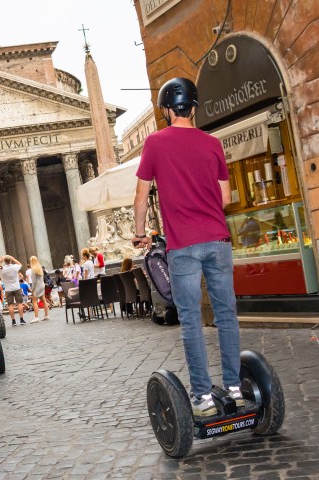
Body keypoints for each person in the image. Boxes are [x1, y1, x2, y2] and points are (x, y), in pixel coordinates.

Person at [133, 77, 243, 418]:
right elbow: (225, 198)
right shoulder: (212, 143)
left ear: (167, 110)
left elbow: (140, 197)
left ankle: (202, 397)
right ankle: (236, 389)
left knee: (192, 320)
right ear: (193, 107)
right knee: (226, 315)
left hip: (183, 246)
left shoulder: (155, 143)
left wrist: (141, 233)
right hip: (218, 240)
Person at [0, 255, 27, 326]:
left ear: (4, 261)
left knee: (10, 305)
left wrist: (1, 260)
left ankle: (13, 321)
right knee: (19, 303)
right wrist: (13, 258)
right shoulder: (15, 267)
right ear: (10, 260)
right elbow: (20, 264)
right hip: (16, 287)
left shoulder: (2, 268)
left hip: (8, 289)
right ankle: (21, 319)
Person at [29, 256, 50, 322]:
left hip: (37, 287)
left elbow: (34, 281)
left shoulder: (33, 270)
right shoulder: (40, 268)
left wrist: (32, 289)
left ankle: (36, 317)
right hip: (42, 285)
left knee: (34, 301)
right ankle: (46, 315)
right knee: (44, 300)